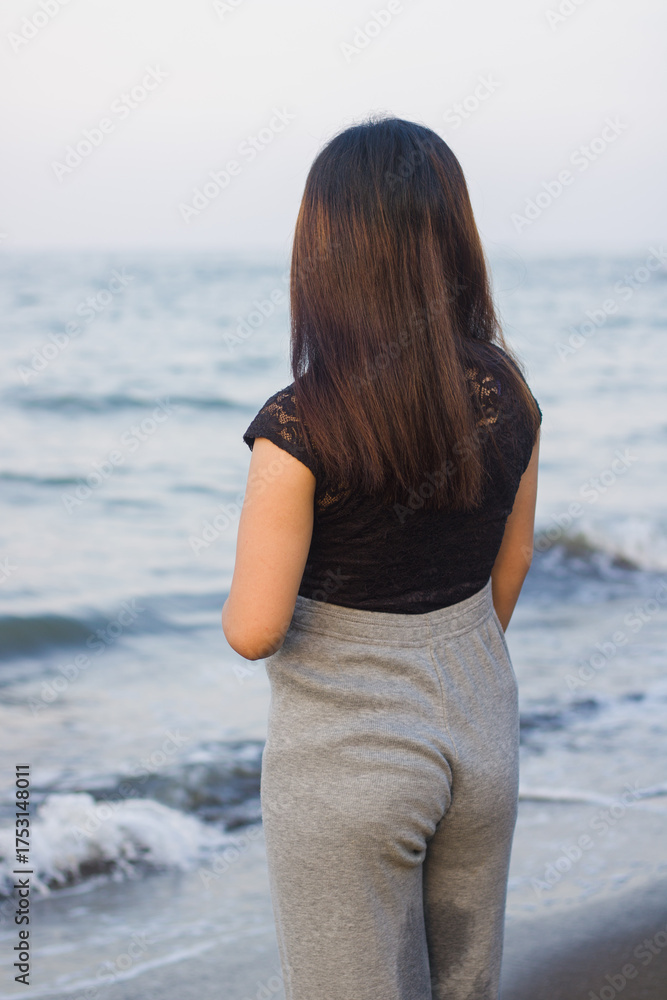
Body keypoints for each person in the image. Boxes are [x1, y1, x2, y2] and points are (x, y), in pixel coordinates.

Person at [222, 115, 541, 1000]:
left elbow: (254, 629)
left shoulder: (296, 426)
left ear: (324, 256)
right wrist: (438, 659)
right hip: (482, 741)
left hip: (347, 768)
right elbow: (510, 565)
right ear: (451, 238)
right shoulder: (508, 393)